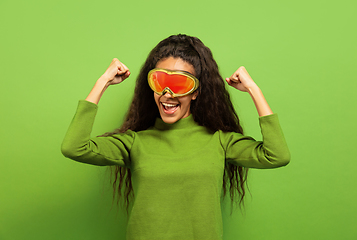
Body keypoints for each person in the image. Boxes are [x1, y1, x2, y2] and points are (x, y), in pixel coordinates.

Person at [61, 34, 290, 240]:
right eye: (160, 82)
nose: (167, 93)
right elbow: (74, 147)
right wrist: (102, 82)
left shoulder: (220, 141)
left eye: (179, 83)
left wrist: (253, 89)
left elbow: (276, 155)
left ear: (196, 93)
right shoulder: (134, 142)